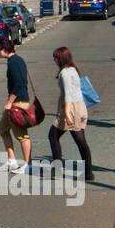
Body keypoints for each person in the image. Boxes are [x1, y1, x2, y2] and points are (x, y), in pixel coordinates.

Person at [48, 46, 93, 181]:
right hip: (79, 106)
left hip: (70, 108)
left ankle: (57, 170)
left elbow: (67, 94)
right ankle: (88, 172)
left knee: (53, 136)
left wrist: (67, 114)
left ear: (61, 58)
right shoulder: (73, 69)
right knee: (80, 141)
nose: (54, 60)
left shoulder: (65, 73)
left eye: (55, 58)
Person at [0, 39, 32, 172]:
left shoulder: (13, 63)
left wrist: (10, 102)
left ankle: (28, 164)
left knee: (22, 135)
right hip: (17, 102)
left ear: (4, 50)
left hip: (18, 102)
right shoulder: (17, 60)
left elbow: (19, 85)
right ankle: (11, 161)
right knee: (3, 129)